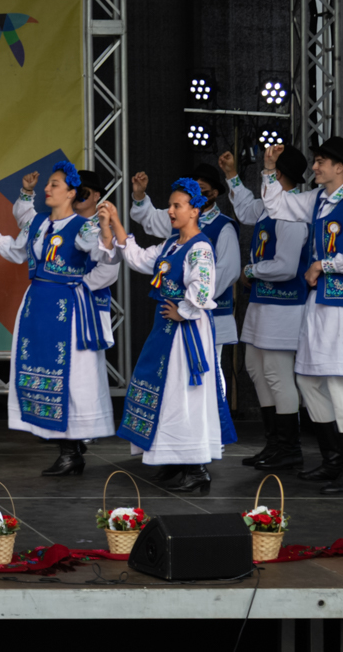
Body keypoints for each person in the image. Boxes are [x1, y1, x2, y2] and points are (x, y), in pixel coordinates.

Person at [0, 160, 120, 476]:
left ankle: (71, 450)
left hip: (66, 309)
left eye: (54, 184)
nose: (47, 188)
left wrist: (82, 285)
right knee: (40, 369)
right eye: (48, 184)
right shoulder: (39, 223)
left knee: (71, 375)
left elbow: (108, 262)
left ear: (72, 193)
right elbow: (18, 250)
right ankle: (68, 447)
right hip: (37, 305)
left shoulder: (83, 227)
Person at [260, 138, 343, 495]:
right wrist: (268, 170)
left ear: (339, 167)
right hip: (320, 303)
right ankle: (333, 460)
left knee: (340, 382)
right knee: (309, 380)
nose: (315, 167)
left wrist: (324, 265)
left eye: (321, 161)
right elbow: (278, 205)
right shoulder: (318, 200)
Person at [103, 180, 234, 494]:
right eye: (170, 205)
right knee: (167, 393)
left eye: (177, 206)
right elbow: (138, 258)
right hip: (167, 329)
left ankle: (196, 467)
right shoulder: (172, 245)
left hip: (187, 332)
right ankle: (174, 460)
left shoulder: (200, 247)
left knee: (185, 395)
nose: (171, 211)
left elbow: (202, 288)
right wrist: (117, 222)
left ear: (194, 210)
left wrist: (184, 311)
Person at [220, 147, 309, 472]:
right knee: (256, 369)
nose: (265, 180)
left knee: (276, 373)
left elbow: (286, 266)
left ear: (280, 175)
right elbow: (246, 210)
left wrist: (252, 270)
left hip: (284, 306)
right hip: (263, 303)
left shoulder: (292, 212)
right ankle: (274, 444)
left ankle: (289, 447)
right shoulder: (271, 206)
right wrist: (232, 176)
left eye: (269, 174)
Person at [130, 163, 241, 348]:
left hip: (210, 316)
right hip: (178, 314)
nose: (197, 195)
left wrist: (192, 303)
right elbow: (150, 219)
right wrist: (140, 195)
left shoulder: (223, 227)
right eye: (193, 190)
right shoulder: (177, 218)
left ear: (214, 194)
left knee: (206, 364)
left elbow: (229, 271)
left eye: (202, 190)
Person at [14, 166, 115, 346]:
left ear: (96, 196)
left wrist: (74, 288)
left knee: (85, 357)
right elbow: (29, 225)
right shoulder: (59, 223)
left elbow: (109, 271)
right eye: (78, 190)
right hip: (56, 303)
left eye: (85, 191)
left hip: (90, 304)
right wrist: (27, 193)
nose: (80, 195)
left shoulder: (103, 228)